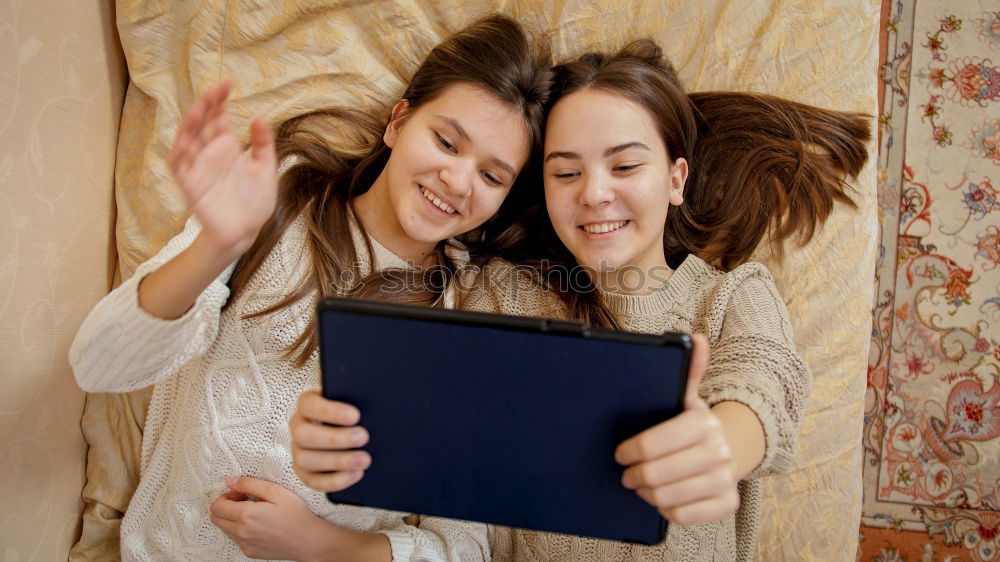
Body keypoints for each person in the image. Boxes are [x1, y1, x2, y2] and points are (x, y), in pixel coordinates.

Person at [290, 39, 870, 561]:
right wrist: (341, 442)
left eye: (624, 165)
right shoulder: (496, 295)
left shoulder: (730, 295)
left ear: (675, 178)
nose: (594, 194)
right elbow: (424, 420)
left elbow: (764, 381)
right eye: (565, 173)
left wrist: (724, 444)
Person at [69, 14, 552, 561]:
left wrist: (323, 544)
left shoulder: (471, 309)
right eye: (445, 141)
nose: (458, 181)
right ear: (398, 123)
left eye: (492, 176)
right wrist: (216, 247)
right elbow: (98, 367)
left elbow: (464, 546)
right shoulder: (281, 197)